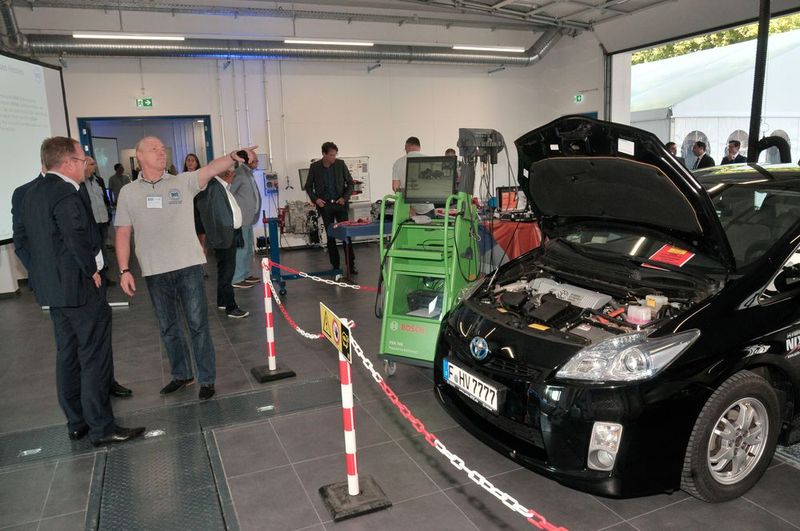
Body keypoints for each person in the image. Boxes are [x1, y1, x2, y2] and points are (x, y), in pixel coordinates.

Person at [14, 136, 145, 446]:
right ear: (68, 163)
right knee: (94, 356)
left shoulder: (26, 193)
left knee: (68, 355)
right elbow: (75, 237)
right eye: (82, 158)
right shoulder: (67, 192)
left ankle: (77, 422)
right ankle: (102, 428)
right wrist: (91, 271)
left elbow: (22, 242)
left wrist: (44, 275)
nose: (86, 163)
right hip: (80, 288)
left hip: (53, 291)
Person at [115, 136, 256, 401]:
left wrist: (233, 156)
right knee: (168, 327)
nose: (161, 152)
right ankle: (182, 375)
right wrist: (124, 270)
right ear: (140, 156)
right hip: (155, 270)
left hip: (188, 266)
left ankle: (206, 379)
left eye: (162, 149)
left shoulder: (182, 182)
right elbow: (123, 232)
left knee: (197, 324)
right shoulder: (128, 192)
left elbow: (211, 169)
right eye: (154, 149)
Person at [196, 168, 249, 318]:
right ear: (227, 175)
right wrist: (226, 231)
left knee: (223, 271)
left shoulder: (219, 187)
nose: (233, 177)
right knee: (227, 273)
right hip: (225, 236)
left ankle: (222, 301)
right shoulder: (214, 187)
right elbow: (217, 215)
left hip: (226, 235)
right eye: (232, 174)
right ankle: (231, 307)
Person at [304, 141, 356, 274]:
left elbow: (350, 184)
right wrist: (316, 200)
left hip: (340, 204)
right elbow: (308, 186)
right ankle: (335, 266)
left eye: (335, 154)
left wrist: (344, 198)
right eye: (331, 155)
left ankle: (351, 265)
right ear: (324, 154)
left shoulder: (340, 164)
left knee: (346, 234)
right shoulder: (315, 167)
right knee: (330, 236)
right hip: (325, 206)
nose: (334, 157)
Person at [230, 151, 262, 289]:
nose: (257, 163)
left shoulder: (248, 173)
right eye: (255, 160)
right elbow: (230, 193)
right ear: (247, 160)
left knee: (248, 248)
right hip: (242, 218)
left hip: (249, 218)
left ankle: (246, 274)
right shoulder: (239, 173)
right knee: (241, 249)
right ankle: (237, 278)